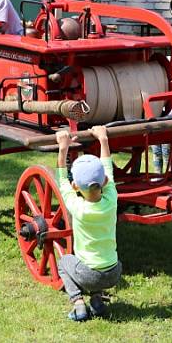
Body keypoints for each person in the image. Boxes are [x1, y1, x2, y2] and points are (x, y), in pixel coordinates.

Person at [55, 125, 122, 322]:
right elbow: (108, 167)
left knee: (64, 263)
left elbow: (61, 180)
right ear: (104, 182)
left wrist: (63, 147)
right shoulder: (112, 200)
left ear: (76, 186)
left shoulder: (77, 206)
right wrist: (103, 139)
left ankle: (78, 303)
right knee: (98, 265)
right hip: (114, 271)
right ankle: (97, 301)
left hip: (89, 275)